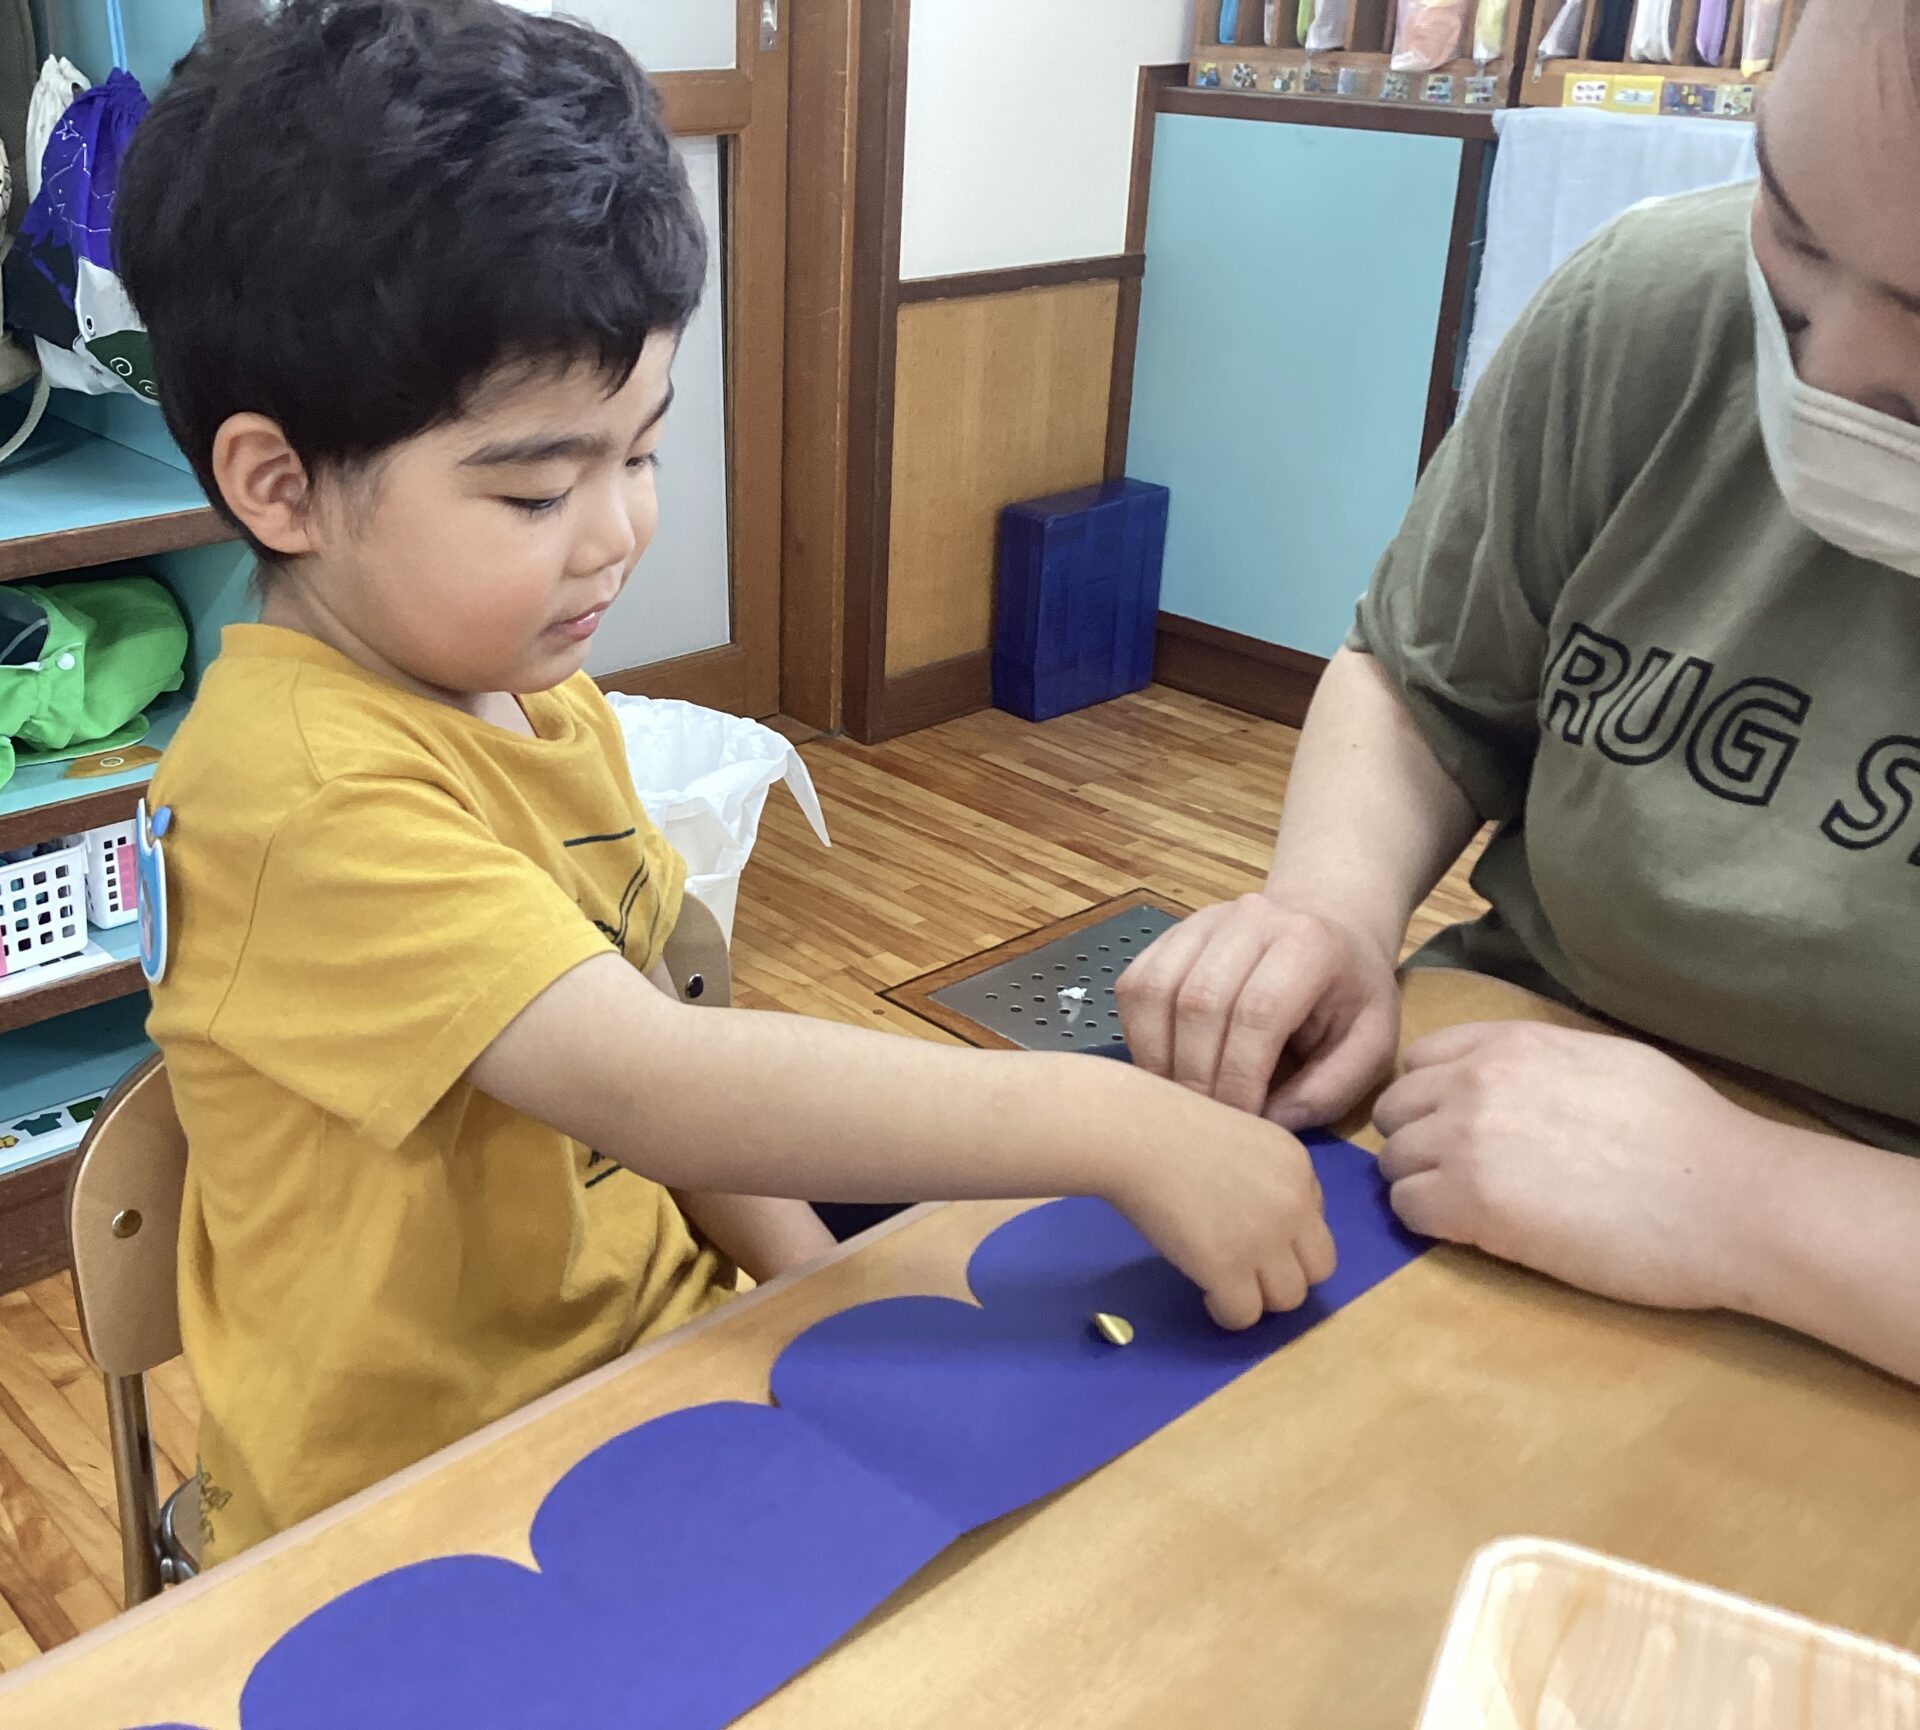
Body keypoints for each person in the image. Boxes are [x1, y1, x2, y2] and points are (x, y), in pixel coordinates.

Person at [117, 0, 1333, 1564]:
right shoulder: (296, 799)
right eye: (540, 489)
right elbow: (654, 1078)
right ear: (279, 484)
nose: (622, 529)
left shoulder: (525, 696)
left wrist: (816, 1300)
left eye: (640, 453)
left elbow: (677, 1080)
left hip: (649, 1380)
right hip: (421, 1521)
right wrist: (1114, 1120)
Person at [1118, 0, 1920, 1389]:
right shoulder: (1649, 307)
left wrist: (1751, 1206)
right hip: (1498, 1105)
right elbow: (1426, 681)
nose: (1825, 371)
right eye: (1792, 237)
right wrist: (1332, 911)